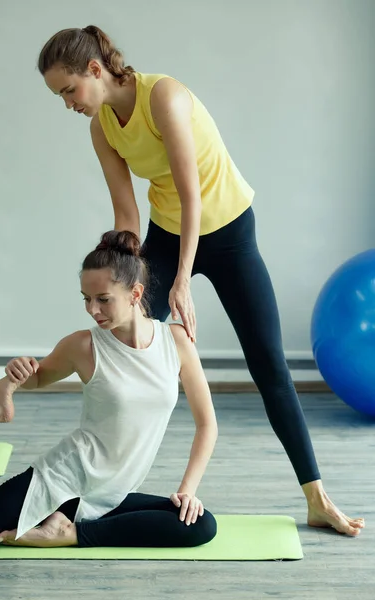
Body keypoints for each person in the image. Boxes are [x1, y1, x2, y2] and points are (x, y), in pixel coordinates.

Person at [35, 26, 365, 536]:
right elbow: (126, 212)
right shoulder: (102, 127)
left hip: (229, 231)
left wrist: (181, 281)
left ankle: (316, 497)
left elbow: (193, 194)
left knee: (268, 365)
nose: (67, 103)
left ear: (95, 71)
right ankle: (91, 487)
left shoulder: (162, 95)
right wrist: (125, 283)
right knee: (125, 346)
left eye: (68, 90)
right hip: (166, 234)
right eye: (59, 95)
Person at [0, 230, 218, 550]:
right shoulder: (83, 345)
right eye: (86, 299)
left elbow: (207, 424)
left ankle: (69, 533)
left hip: (110, 493)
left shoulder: (176, 342)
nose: (92, 310)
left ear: (135, 294)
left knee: (199, 523)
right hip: (62, 482)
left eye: (103, 299)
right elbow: (38, 377)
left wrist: (188, 491)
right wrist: (20, 371)